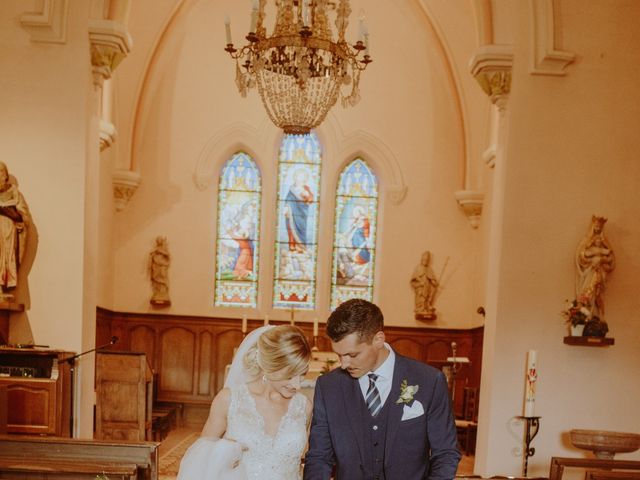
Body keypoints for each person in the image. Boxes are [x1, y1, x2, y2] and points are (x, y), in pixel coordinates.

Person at [304, 298, 460, 480]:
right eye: (339, 355)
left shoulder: (429, 381)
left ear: (378, 339)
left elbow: (446, 453)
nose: (344, 364)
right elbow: (319, 457)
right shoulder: (329, 386)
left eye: (352, 354)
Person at [178, 325, 313, 480]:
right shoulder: (229, 400)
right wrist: (223, 450)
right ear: (268, 367)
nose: (297, 385)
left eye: (302, 374)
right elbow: (201, 460)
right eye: (289, 376)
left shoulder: (304, 407)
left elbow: (303, 461)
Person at [0, 162, 31, 299]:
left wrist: (17, 217)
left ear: (5, 176)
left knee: (4, 259)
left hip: (8, 234)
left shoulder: (14, 193)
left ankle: (2, 287)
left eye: (1, 173)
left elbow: (24, 217)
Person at [575, 216, 615, 319]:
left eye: (600, 227)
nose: (598, 229)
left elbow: (610, 257)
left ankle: (599, 315)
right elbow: (581, 255)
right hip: (589, 272)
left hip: (600, 273)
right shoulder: (587, 241)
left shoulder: (604, 242)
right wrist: (590, 260)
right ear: (593, 226)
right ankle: (586, 315)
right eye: (596, 226)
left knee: (598, 294)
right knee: (587, 292)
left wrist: (601, 259)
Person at [284, 169, 314, 253]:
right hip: (292, 212)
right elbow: (288, 199)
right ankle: (293, 246)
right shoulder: (291, 189)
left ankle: (301, 246)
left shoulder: (306, 188)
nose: (300, 181)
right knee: (291, 227)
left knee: (301, 228)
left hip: (302, 213)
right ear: (295, 178)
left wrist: (307, 196)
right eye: (298, 178)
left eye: (302, 179)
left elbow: (311, 200)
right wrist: (286, 207)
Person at [410, 251, 439, 316]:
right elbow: (414, 278)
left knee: (427, 297)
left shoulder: (429, 269)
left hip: (427, 287)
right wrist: (420, 282)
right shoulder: (418, 267)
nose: (425, 261)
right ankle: (420, 308)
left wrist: (434, 283)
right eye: (424, 259)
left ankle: (427, 307)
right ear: (422, 259)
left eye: (427, 260)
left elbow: (431, 279)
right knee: (420, 297)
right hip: (420, 287)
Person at [148, 236, 171, 306]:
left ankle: (163, 293)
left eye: (160, 240)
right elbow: (151, 256)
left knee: (163, 278)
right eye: (158, 240)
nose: (159, 241)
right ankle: (157, 293)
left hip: (162, 265)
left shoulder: (164, 248)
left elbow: (168, 255)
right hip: (156, 266)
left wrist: (160, 251)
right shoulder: (155, 249)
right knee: (156, 280)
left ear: (162, 241)